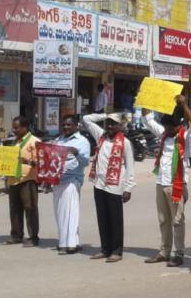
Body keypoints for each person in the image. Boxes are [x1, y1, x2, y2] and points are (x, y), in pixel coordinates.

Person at [142, 96, 191, 267]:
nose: (167, 129)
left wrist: (184, 105)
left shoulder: (186, 137)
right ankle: (164, 252)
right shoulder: (164, 134)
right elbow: (148, 120)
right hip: (161, 183)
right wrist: (148, 97)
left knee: (177, 221)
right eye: (165, 126)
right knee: (163, 219)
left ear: (178, 126)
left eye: (170, 126)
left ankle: (179, 253)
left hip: (177, 185)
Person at [82, 112, 136, 263]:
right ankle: (105, 249)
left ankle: (117, 251)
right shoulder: (101, 136)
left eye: (113, 123)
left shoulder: (125, 142)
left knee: (115, 219)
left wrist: (128, 188)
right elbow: (86, 119)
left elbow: (130, 167)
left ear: (120, 126)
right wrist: (106, 115)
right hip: (99, 184)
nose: (110, 126)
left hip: (115, 186)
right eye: (108, 123)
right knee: (102, 218)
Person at [52, 115, 91, 254]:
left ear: (76, 126)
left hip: (72, 180)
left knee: (69, 212)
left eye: (69, 125)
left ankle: (66, 244)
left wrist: (76, 153)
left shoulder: (82, 141)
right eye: (64, 125)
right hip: (57, 180)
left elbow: (85, 162)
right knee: (59, 213)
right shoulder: (59, 140)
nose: (66, 127)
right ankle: (74, 241)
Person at [3, 116, 40, 247]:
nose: (14, 130)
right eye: (13, 127)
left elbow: (40, 163)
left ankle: (33, 237)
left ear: (25, 128)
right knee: (14, 209)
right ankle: (16, 235)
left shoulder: (34, 142)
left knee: (30, 209)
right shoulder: (14, 142)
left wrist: (27, 161)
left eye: (16, 128)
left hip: (27, 180)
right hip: (13, 179)